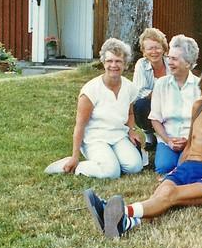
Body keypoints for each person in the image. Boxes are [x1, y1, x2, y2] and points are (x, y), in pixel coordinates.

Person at [83, 68, 202, 238]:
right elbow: (191, 143)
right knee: (161, 195)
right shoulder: (198, 108)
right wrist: (176, 171)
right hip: (187, 166)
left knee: (171, 195)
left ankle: (116, 211)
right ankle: (124, 224)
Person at [45, 38, 144, 179]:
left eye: (118, 61)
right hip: (95, 138)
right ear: (103, 62)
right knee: (112, 172)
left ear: (125, 64)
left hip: (118, 136)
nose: (113, 65)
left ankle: (108, 161)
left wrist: (132, 131)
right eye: (109, 61)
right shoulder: (91, 90)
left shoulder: (129, 87)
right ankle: (74, 165)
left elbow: (130, 113)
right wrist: (75, 156)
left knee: (135, 167)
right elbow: (80, 125)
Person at [148, 34, 201, 174]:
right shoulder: (161, 84)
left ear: (188, 63)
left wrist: (188, 140)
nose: (169, 62)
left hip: (192, 140)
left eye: (175, 59)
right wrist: (168, 140)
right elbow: (155, 118)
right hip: (168, 138)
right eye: (169, 58)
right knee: (164, 168)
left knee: (185, 168)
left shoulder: (200, 86)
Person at [132, 28, 169, 149]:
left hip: (170, 103)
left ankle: (164, 136)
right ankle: (149, 135)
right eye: (150, 48)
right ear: (144, 51)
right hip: (151, 103)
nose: (154, 52)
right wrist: (160, 93)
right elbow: (139, 92)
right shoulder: (141, 64)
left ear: (163, 48)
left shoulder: (171, 62)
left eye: (157, 47)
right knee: (140, 105)